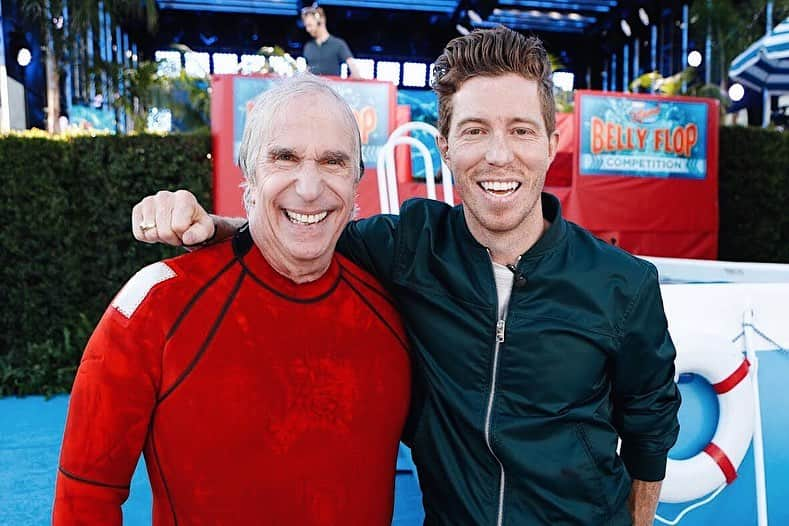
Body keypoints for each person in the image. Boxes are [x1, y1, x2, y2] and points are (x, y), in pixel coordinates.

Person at [133, 27, 681, 526]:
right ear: (445, 147)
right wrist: (210, 224)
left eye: (520, 130)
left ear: (550, 144)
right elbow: (300, 228)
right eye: (474, 130)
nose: (498, 154)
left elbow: (650, 428)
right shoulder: (406, 248)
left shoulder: (624, 285)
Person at [54, 76, 411, 525]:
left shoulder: (393, 313)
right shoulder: (157, 305)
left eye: (333, 162)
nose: (308, 186)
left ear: (357, 176)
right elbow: (85, 494)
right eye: (284, 157)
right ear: (250, 170)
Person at [300, 3, 361, 78]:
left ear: (321, 20)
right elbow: (307, 71)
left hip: (332, 87)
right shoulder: (308, 46)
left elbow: (354, 69)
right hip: (313, 88)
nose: (307, 29)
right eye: (306, 26)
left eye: (309, 25)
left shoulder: (338, 44)